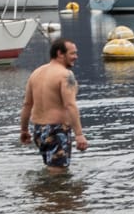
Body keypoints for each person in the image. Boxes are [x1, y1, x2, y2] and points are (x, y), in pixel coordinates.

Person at [18, 37, 87, 170]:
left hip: (39, 130)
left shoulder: (36, 73)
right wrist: (79, 134)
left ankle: (42, 190)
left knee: (51, 169)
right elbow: (70, 105)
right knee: (58, 175)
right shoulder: (65, 75)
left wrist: (24, 130)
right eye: (72, 53)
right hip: (57, 130)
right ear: (60, 53)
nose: (75, 57)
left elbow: (27, 104)